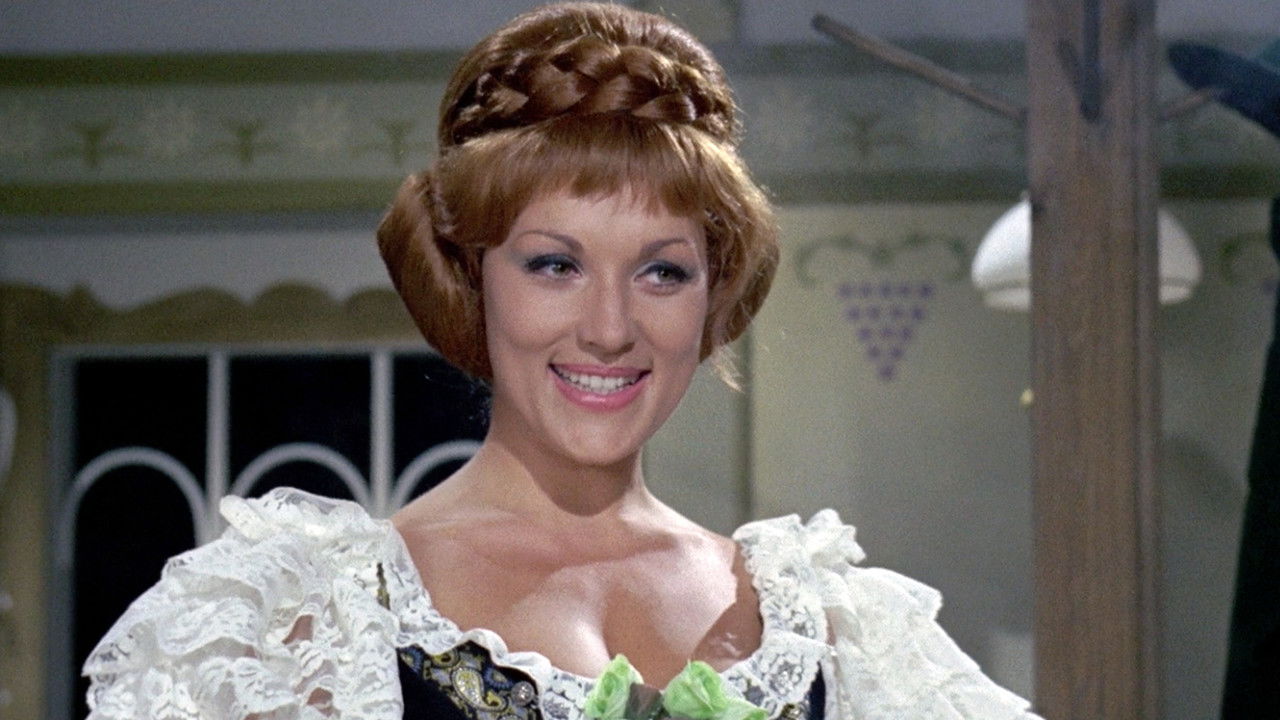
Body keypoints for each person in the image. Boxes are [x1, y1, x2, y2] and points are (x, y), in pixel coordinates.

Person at [83, 4, 1041, 719]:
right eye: (555, 265)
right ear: (472, 273)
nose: (610, 328)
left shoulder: (835, 627)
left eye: (663, 272)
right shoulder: (292, 621)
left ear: (714, 291)